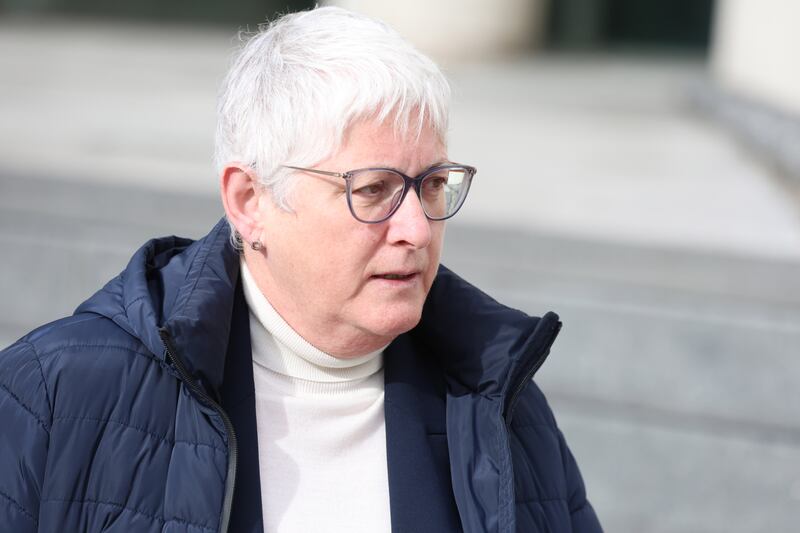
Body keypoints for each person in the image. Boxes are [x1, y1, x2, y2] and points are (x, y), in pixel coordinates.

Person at [0, 6, 602, 533]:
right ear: (250, 201)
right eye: (374, 190)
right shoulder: (56, 395)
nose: (417, 229)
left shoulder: (501, 402)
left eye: (433, 185)